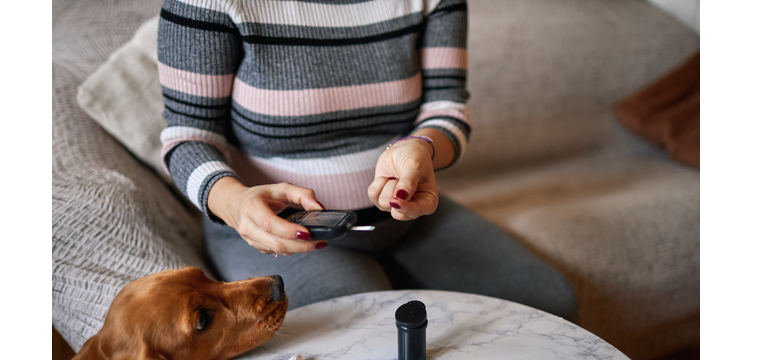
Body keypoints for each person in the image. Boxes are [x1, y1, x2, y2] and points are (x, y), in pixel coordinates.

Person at [157, 0, 577, 319]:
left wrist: (422, 147)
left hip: (405, 221)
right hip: (284, 235)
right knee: (368, 338)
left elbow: (446, 109)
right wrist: (235, 204)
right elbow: (188, 137)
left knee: (551, 303)